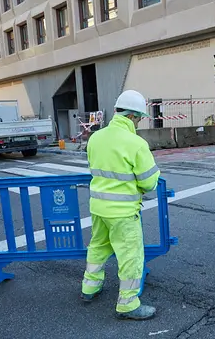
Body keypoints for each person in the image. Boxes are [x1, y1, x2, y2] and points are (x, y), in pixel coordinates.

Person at [80, 90, 161, 321]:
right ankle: (127, 305)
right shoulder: (136, 143)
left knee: (97, 247)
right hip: (123, 214)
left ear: (117, 111)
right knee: (130, 257)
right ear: (134, 116)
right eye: (140, 118)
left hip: (98, 208)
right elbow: (149, 183)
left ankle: (89, 288)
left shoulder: (95, 137)